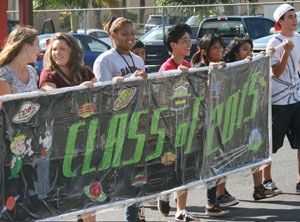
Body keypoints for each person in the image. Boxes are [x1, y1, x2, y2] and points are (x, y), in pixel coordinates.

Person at [93, 17, 147, 222]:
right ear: (112, 35)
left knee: (135, 174)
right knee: (115, 176)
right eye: (125, 34)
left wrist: (142, 82)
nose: (130, 38)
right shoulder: (105, 59)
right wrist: (121, 86)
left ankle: (134, 217)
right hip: (115, 125)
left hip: (135, 123)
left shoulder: (138, 59)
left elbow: (143, 95)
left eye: (132, 34)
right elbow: (104, 96)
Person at [38, 32, 97, 222]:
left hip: (88, 136)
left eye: (62, 48)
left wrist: (94, 86)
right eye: (54, 49)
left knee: (88, 185)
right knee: (70, 187)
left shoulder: (85, 71)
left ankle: (85, 217)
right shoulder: (49, 73)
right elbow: (50, 93)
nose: (57, 53)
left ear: (72, 50)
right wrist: (79, 91)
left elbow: (101, 91)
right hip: (63, 141)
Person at [223, 35, 280, 200]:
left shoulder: (252, 64)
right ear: (235, 52)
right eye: (244, 49)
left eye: (250, 49)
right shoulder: (231, 67)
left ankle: (258, 188)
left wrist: (260, 58)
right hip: (233, 119)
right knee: (227, 158)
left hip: (250, 117)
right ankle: (220, 192)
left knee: (255, 150)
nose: (248, 53)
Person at [191, 33, 234, 216]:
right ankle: (168, 198)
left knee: (213, 162)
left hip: (216, 120)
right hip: (199, 124)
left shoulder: (221, 66)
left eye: (220, 47)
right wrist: (211, 72)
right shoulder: (198, 69)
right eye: (215, 48)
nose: (219, 51)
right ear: (204, 52)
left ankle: (211, 203)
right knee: (191, 165)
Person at [156, 24, 196, 221]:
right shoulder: (166, 68)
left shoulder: (187, 66)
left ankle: (181, 210)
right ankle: (164, 194)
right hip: (169, 127)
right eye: (184, 41)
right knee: (172, 166)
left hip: (186, 124)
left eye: (189, 40)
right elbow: (162, 98)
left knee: (184, 166)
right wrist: (175, 77)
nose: (189, 44)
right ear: (173, 45)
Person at [263, 3, 300, 194]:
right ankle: (266, 180)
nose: (294, 20)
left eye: (295, 16)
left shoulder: (299, 39)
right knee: (272, 144)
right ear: (281, 22)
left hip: (297, 98)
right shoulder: (274, 43)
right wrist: (285, 51)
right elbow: (276, 73)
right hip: (278, 101)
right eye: (290, 17)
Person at [0, 26, 40, 96]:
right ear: (27, 46)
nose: (40, 49)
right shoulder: (3, 74)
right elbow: (7, 106)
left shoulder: (32, 71)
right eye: (37, 45)